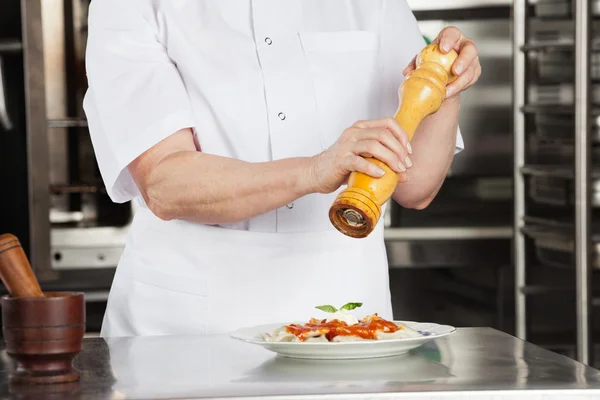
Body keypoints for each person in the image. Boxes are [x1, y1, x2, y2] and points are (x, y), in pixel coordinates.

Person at [83, 0, 481, 337]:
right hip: (187, 322)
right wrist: (314, 171)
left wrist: (446, 90)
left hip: (347, 318)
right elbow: (165, 184)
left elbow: (417, 189)